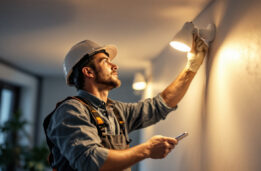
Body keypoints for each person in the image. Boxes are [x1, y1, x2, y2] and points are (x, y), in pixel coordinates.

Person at [43, 31, 209, 171]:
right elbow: (90, 160)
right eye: (105, 61)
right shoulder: (70, 111)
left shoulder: (115, 111)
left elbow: (159, 106)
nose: (115, 66)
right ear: (88, 72)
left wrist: (191, 67)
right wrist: (147, 149)